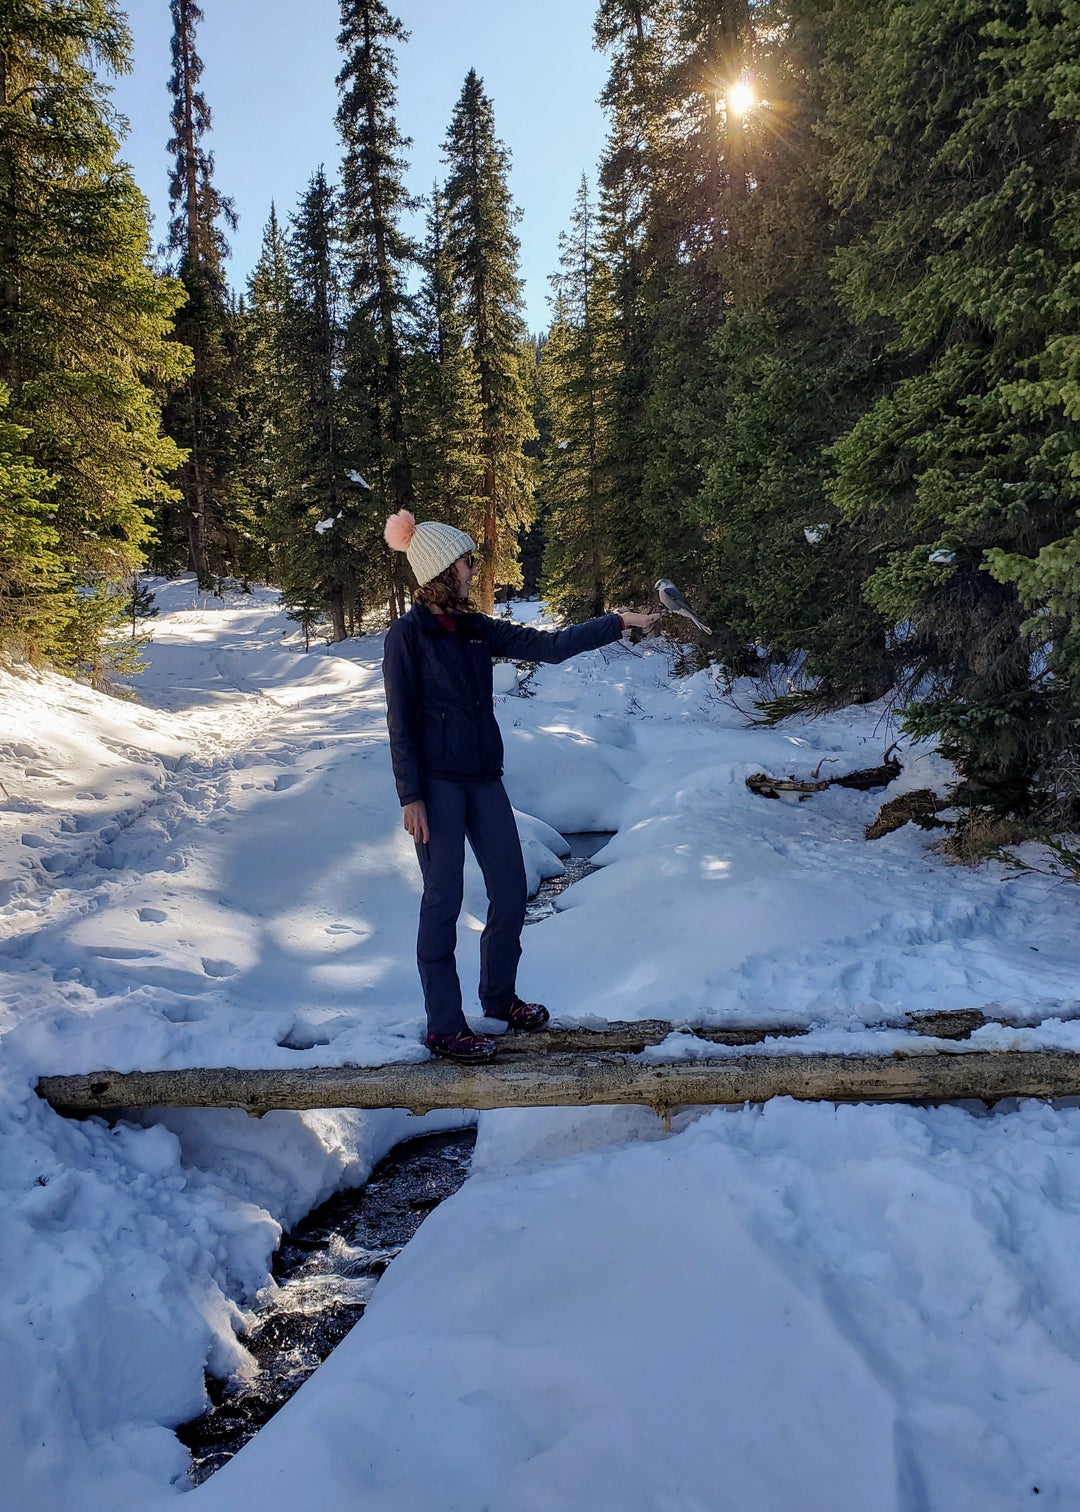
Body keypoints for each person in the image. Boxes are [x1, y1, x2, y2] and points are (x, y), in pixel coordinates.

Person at [382, 509, 661, 1063]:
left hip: (484, 781)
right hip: (435, 788)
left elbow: (551, 646)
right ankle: (444, 1025)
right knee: (444, 901)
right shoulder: (407, 637)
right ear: (442, 568)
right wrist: (410, 796)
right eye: (465, 561)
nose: (471, 568)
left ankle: (499, 998)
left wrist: (619, 622)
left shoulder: (476, 629)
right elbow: (400, 722)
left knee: (510, 890)